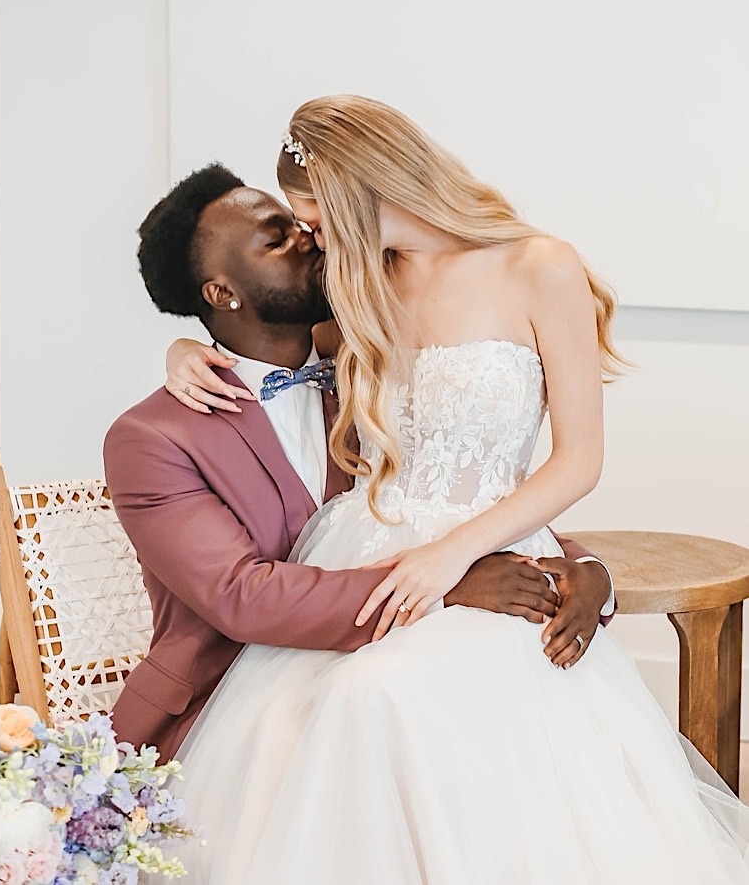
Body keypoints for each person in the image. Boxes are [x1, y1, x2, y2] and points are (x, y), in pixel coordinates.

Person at [154, 98, 749, 882]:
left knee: (378, 699)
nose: (311, 237)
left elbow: (578, 462)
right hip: (362, 549)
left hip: (487, 552)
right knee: (303, 717)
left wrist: (450, 558)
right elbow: (267, 346)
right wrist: (182, 348)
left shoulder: (541, 266)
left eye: (316, 216)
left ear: (365, 186)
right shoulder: (360, 283)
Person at [104, 164, 613, 762]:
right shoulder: (154, 438)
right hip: (231, 701)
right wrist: (442, 589)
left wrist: (584, 569)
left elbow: (441, 498)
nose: (312, 239)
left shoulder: (360, 370)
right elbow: (243, 597)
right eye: (277, 240)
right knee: (403, 712)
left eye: (300, 225)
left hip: (395, 657)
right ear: (222, 293)